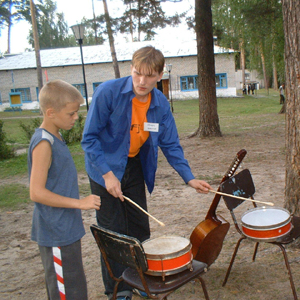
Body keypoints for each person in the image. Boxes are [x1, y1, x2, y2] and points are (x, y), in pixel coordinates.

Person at [81, 46, 211, 300]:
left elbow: (170, 143)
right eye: (137, 73)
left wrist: (189, 177)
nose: (142, 81)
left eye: (149, 76)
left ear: (160, 75)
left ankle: (139, 280)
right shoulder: (108, 93)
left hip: (134, 167)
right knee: (114, 233)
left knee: (139, 229)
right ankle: (118, 290)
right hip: (104, 168)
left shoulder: (160, 103)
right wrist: (107, 175)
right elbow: (89, 139)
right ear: (131, 69)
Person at [28, 80, 101, 300]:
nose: (76, 117)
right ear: (51, 112)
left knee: (75, 288)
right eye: (71, 114)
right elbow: (36, 193)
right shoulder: (43, 143)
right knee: (66, 293)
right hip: (55, 233)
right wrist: (80, 203)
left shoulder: (55, 137)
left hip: (66, 228)